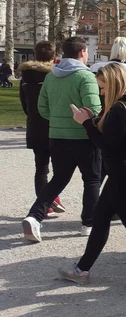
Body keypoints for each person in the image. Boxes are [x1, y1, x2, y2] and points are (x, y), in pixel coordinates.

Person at [59, 63, 126, 290]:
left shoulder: (120, 108)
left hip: (125, 172)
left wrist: (85, 123)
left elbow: (106, 145)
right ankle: (82, 269)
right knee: (101, 218)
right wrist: (93, 119)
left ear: (115, 84)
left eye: (103, 87)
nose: (101, 92)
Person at [22, 37, 102, 242]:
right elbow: (94, 109)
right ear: (83, 51)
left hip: (57, 136)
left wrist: (58, 121)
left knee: (58, 178)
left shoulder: (51, 77)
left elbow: (42, 109)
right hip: (83, 136)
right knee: (92, 179)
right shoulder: (85, 77)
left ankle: (35, 216)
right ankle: (88, 222)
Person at [19, 41, 66, 216]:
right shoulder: (57, 76)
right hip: (56, 125)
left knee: (41, 168)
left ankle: (45, 204)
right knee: (60, 168)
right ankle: (51, 199)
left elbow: (24, 104)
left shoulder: (26, 77)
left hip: (35, 126)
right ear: (53, 57)